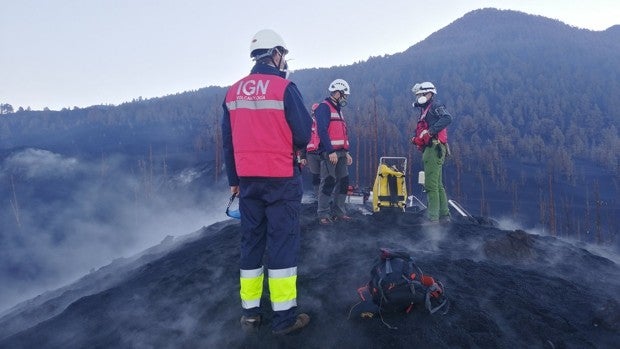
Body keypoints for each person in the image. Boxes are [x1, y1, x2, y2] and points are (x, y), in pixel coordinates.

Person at [221, 29, 312, 335]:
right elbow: (302, 134)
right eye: (283, 54)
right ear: (275, 54)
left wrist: (234, 180)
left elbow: (228, 142)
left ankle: (249, 314)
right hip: (281, 180)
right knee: (282, 244)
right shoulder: (285, 88)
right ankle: (284, 318)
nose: (284, 60)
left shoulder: (232, 93)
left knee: (251, 243)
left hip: (248, 182)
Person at [411, 81, 452, 223]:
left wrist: (430, 131)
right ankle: (444, 215)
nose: (418, 97)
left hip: (433, 149)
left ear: (429, 93)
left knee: (430, 184)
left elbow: (447, 118)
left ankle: (433, 218)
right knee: (438, 184)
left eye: (421, 94)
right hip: (434, 148)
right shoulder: (426, 109)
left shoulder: (435, 106)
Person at [315, 79, 353, 225]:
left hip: (342, 153)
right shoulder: (324, 108)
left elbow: (342, 133)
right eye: (345, 94)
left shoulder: (338, 110)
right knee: (328, 181)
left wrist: (346, 152)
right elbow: (322, 131)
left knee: (343, 182)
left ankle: (339, 212)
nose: (346, 97)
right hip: (330, 153)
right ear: (338, 93)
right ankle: (323, 214)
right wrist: (330, 151)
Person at [299, 103, 321, 201]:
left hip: (323, 152)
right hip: (311, 154)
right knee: (315, 175)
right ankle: (317, 196)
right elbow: (303, 140)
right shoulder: (308, 124)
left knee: (326, 176)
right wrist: (303, 157)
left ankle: (325, 197)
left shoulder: (324, 122)